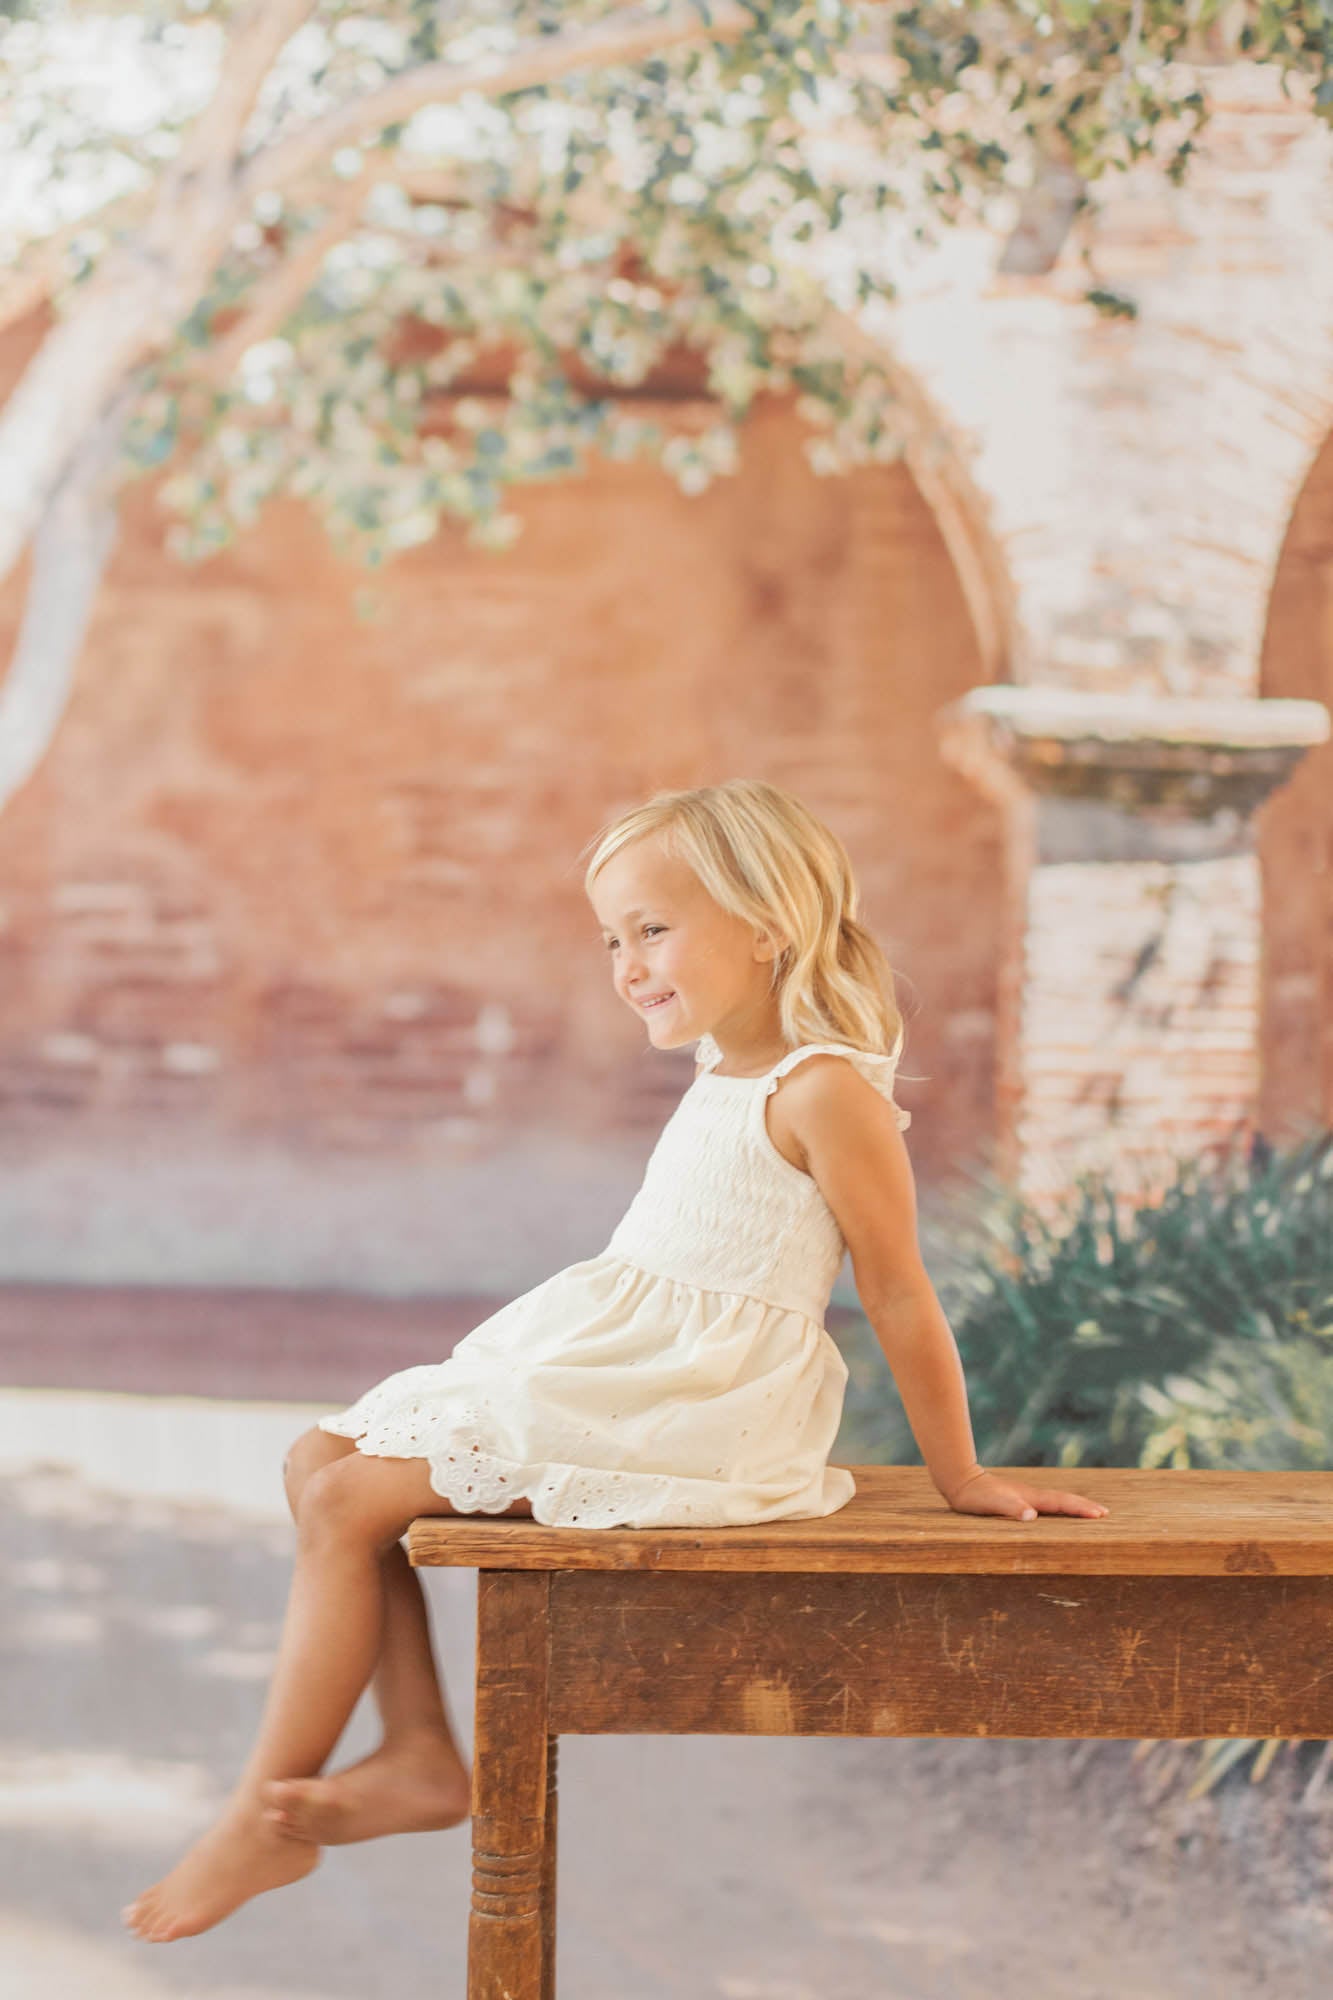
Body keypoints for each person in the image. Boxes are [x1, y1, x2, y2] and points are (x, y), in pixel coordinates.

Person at [121, 777, 1108, 1945]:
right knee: (317, 1457)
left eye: (654, 928)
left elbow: (896, 1290)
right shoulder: (721, 1073)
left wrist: (962, 1475)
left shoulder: (824, 1088)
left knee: (349, 1493)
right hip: (624, 1361)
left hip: (697, 1401)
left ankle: (259, 1814)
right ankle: (424, 1752)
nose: (627, 961)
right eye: (610, 937)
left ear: (765, 920)